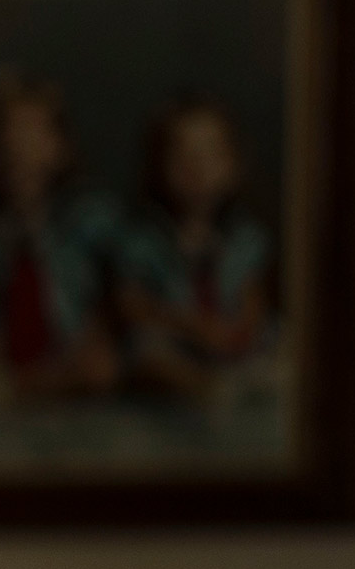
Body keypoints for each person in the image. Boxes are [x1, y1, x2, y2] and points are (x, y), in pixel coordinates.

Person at [0, 72, 124, 400]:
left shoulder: (90, 219)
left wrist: (99, 331)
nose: (16, 145)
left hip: (69, 351)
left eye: (32, 132)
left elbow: (115, 287)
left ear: (60, 146)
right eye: (4, 131)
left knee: (100, 368)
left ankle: (23, 389)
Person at [115, 91, 276, 396]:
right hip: (177, 337)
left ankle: (233, 384)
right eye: (182, 156)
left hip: (228, 338)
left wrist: (241, 329)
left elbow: (252, 297)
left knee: (276, 348)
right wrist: (192, 326)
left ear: (233, 164)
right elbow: (132, 305)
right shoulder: (142, 240)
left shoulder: (245, 238)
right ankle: (201, 388)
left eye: (211, 155)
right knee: (147, 354)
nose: (197, 168)